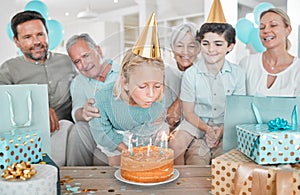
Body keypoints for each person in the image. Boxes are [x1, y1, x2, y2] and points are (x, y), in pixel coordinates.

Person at [169, 0, 246, 165]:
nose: (211, 49)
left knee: (223, 160)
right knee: (175, 143)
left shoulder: (238, 73)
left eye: (218, 44)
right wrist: (208, 130)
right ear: (200, 45)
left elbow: (237, 111)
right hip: (196, 121)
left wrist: (220, 131)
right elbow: (189, 113)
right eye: (206, 44)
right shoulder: (191, 74)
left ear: (230, 46)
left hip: (226, 123)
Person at [89, 13, 168, 166]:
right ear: (125, 82)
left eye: (157, 86)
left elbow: (151, 127)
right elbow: (101, 131)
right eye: (143, 86)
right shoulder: (103, 98)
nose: (151, 94)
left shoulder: (159, 98)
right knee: (120, 165)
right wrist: (126, 150)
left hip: (143, 137)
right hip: (114, 138)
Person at [0, 10, 77, 166]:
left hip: (69, 134)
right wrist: (40, 109)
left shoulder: (67, 62)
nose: (36, 42)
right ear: (16, 41)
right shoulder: (8, 69)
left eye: (40, 34)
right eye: (27, 37)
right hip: (28, 138)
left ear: (47, 34)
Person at [66, 33, 120, 165]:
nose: (83, 64)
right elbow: (77, 111)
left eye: (85, 56)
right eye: (77, 61)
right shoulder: (78, 82)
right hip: (97, 131)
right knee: (78, 129)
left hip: (125, 129)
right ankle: (74, 180)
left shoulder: (124, 72)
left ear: (98, 51)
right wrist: (84, 113)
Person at [239, 8, 300, 97]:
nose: (266, 30)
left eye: (273, 25)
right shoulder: (247, 63)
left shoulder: (297, 69)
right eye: (262, 27)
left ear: (288, 30)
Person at [165, 22, 200, 131]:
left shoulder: (202, 73)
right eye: (179, 46)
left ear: (198, 49)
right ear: (172, 48)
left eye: (191, 46)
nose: (185, 51)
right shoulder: (165, 73)